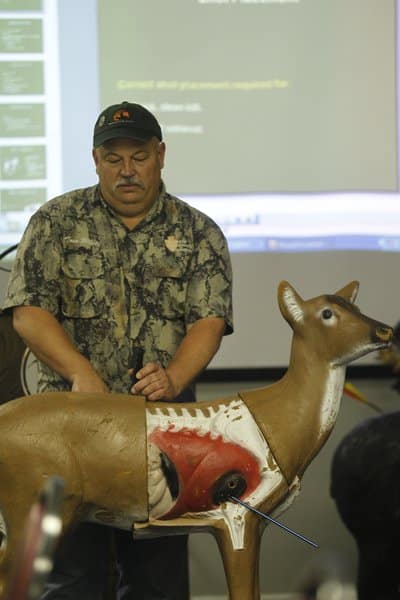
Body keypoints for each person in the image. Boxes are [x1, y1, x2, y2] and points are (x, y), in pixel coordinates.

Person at [3, 100, 233, 600]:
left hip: (160, 438)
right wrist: (80, 372)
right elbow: (27, 312)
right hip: (65, 436)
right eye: (113, 158)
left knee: (158, 583)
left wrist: (174, 376)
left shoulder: (200, 233)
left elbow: (208, 322)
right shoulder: (55, 222)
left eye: (139, 156)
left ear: (161, 155)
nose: (127, 170)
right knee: (65, 580)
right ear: (95, 160)